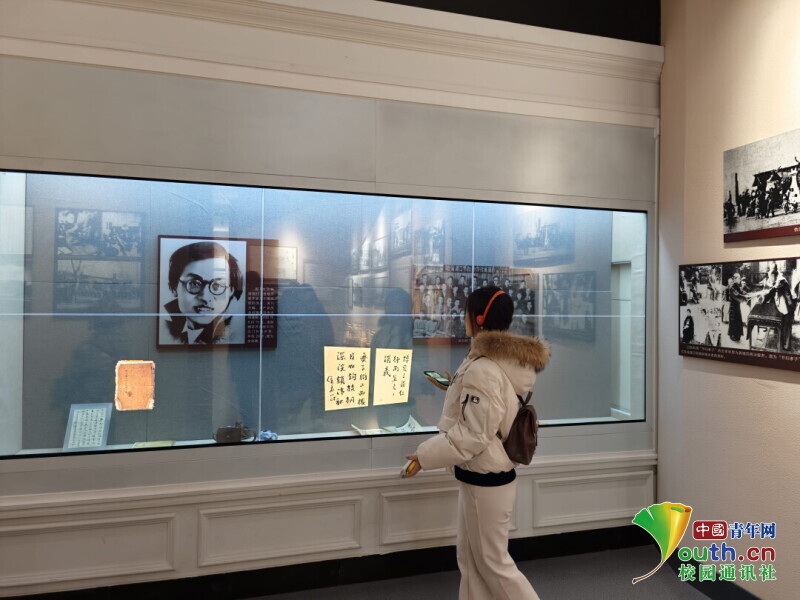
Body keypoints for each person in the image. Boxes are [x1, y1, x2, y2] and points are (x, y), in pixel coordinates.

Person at [403, 286, 549, 600]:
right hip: (480, 475)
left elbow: (474, 435)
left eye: (467, 311)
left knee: (493, 564)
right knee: (471, 560)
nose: (463, 317)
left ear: (479, 318)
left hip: (486, 478)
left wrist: (424, 456)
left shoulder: (484, 367)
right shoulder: (491, 361)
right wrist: (453, 386)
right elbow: (488, 408)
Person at [162, 241, 244, 344]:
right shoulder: (166, 328)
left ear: (231, 290)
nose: (205, 297)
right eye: (194, 284)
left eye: (217, 285)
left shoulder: (237, 333)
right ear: (174, 288)